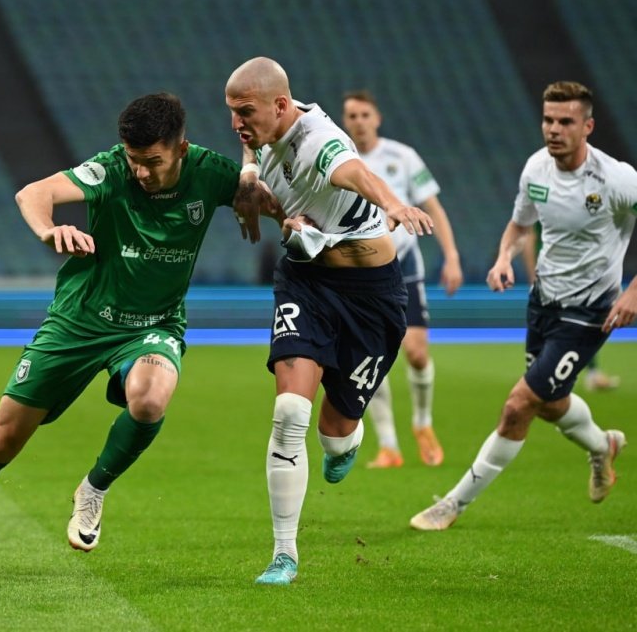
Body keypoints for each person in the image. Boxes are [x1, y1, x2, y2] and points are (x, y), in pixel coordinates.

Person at [0, 93, 270, 579]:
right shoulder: (110, 169)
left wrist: (297, 220)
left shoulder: (211, 172)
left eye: (152, 161)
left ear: (181, 149)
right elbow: (32, 194)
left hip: (153, 324)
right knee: (2, 440)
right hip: (80, 320)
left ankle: (93, 489)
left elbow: (278, 204)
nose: (141, 172)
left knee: (150, 399)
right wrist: (48, 230)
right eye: (134, 159)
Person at [224, 57, 434, 585]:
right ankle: (284, 555)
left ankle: (348, 438)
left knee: (335, 434)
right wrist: (250, 179)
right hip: (305, 281)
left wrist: (393, 203)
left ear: (280, 105)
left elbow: (354, 172)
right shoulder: (265, 128)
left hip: (371, 298)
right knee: (289, 411)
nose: (236, 123)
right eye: (232, 112)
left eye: (244, 112)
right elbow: (253, 150)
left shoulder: (319, 140)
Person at [410, 81, 634, 532]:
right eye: (548, 120)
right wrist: (502, 259)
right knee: (550, 404)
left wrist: (633, 291)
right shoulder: (536, 169)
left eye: (565, 122)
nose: (554, 129)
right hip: (543, 303)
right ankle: (602, 446)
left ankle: (452, 504)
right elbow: (520, 227)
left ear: (588, 127)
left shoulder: (616, 179)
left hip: (589, 312)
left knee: (519, 405)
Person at [341, 90, 464, 469]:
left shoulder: (402, 156)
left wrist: (451, 256)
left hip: (405, 264)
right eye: (352, 115)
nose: (359, 121)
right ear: (345, 121)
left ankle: (422, 423)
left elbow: (433, 207)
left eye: (365, 114)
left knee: (417, 352)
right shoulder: (339, 157)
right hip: (362, 270)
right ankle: (389, 446)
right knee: (371, 358)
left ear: (377, 118)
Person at [523, 225, 621, 392]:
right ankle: (539, 377)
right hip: (553, 276)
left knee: (578, 324)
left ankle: (589, 373)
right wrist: (533, 276)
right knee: (569, 324)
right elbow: (528, 237)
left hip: (568, 274)